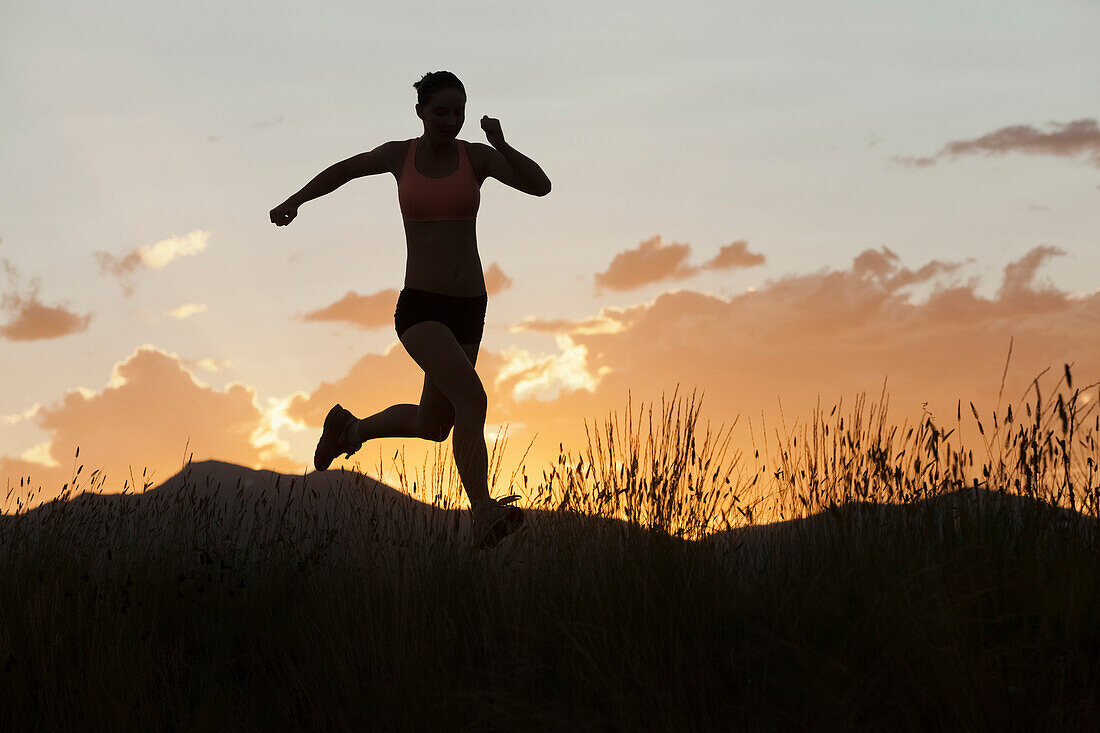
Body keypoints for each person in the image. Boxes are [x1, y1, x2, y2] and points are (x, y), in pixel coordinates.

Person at [269, 71, 551, 548]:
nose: (451, 120)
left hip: (469, 307)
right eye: (441, 111)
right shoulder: (401, 156)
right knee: (473, 400)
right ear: (420, 112)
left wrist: (502, 143)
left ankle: (348, 430)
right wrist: (296, 201)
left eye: (458, 112)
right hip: (420, 308)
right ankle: (482, 512)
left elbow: (540, 186)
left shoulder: (476, 158)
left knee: (434, 424)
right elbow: (345, 169)